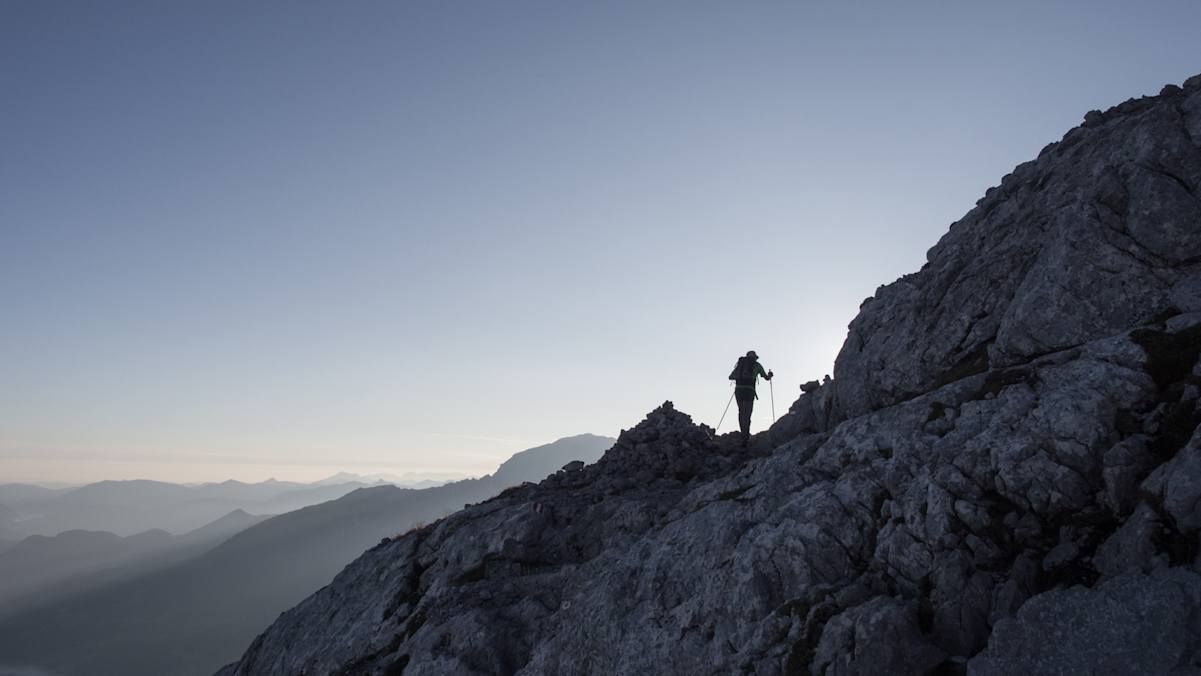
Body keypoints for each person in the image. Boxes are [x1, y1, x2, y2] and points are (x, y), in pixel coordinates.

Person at [729, 350, 773, 447]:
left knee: (741, 412)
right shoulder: (757, 365)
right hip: (749, 391)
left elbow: (730, 377)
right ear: (755, 357)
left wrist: (740, 378)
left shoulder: (740, 365)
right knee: (747, 414)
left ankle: (743, 435)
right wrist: (770, 375)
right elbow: (766, 377)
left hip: (739, 391)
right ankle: (745, 438)